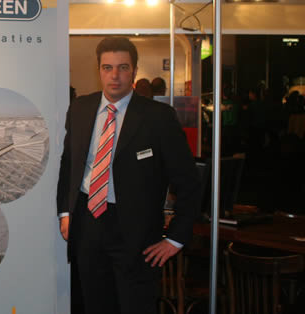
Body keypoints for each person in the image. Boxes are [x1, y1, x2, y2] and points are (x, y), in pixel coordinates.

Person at [56, 37, 201, 314]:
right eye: (107, 67)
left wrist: (176, 238)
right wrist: (65, 212)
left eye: (122, 67)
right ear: (99, 70)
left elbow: (188, 181)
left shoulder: (158, 117)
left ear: (134, 70)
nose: (115, 75)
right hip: (87, 226)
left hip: (137, 236)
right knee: (94, 306)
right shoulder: (80, 109)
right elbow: (68, 164)